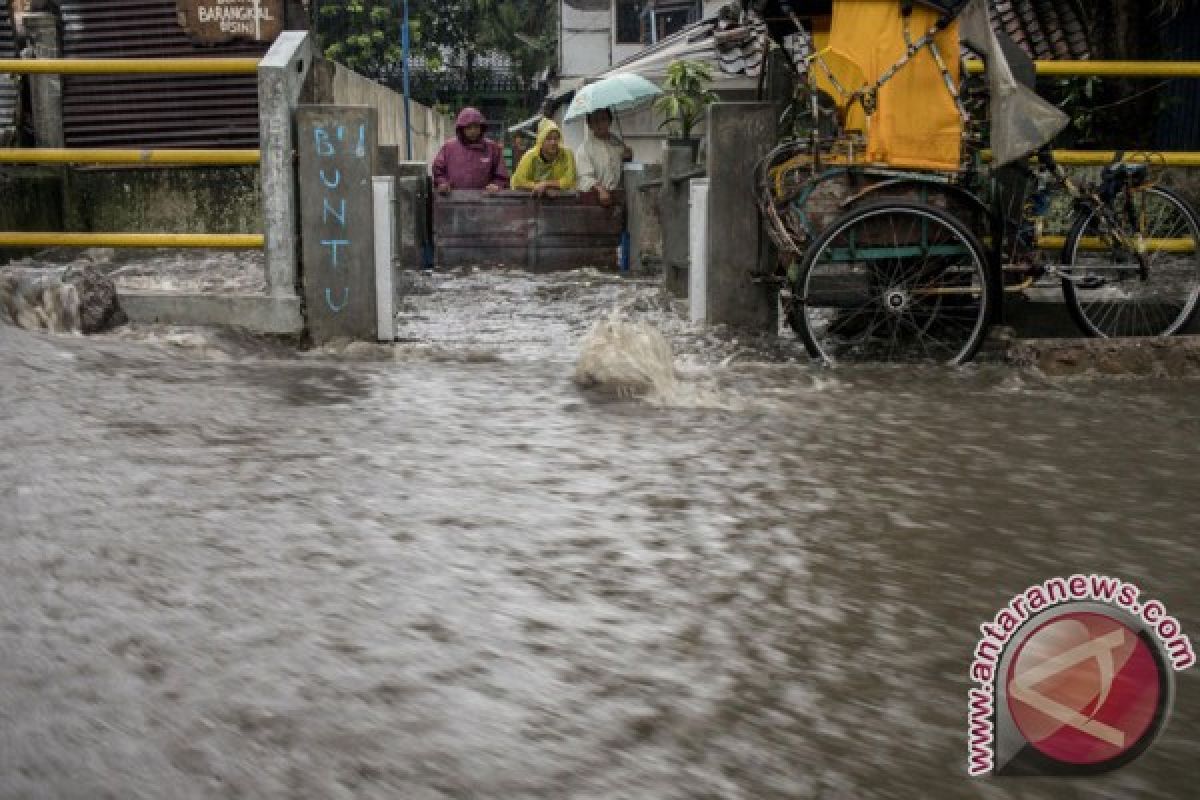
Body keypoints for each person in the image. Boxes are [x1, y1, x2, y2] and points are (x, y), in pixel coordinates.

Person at [431, 107, 509, 193]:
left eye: (476, 127)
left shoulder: (492, 148)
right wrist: (443, 183)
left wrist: (496, 185)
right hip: (453, 200)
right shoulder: (449, 147)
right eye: (468, 127)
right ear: (461, 129)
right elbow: (438, 170)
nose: (473, 131)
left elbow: (502, 175)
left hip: (485, 201)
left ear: (481, 127)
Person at [574, 108, 633, 207]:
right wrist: (601, 190)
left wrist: (628, 157)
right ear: (589, 125)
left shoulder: (617, 143)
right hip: (595, 200)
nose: (599, 124)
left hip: (618, 198)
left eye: (603, 119)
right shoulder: (584, 149)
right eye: (595, 121)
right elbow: (584, 177)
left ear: (610, 121)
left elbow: (624, 170)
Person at [510, 120, 576, 196]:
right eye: (548, 139)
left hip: (559, 197)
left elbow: (570, 181)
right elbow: (519, 181)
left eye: (556, 138)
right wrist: (538, 187)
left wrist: (546, 184)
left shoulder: (567, 154)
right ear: (541, 141)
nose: (553, 142)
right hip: (527, 195)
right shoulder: (530, 156)